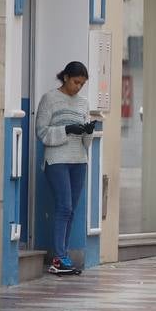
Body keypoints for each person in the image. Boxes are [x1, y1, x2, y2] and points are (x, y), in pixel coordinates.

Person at [36, 61, 95, 275]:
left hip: (79, 160)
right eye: (76, 82)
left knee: (70, 210)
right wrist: (66, 129)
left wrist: (88, 131)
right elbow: (41, 132)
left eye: (82, 84)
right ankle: (59, 258)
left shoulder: (84, 103)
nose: (78, 87)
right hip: (56, 159)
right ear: (66, 77)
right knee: (64, 206)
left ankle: (64, 257)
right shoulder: (49, 99)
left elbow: (86, 143)